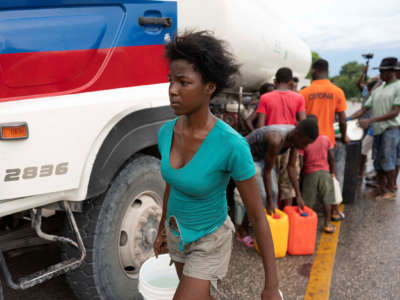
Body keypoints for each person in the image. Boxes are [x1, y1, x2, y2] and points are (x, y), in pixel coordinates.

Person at [153, 31, 281, 300]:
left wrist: (271, 285)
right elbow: (171, 185)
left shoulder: (231, 145)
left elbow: (258, 216)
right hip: (177, 234)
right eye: (170, 80)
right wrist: (162, 229)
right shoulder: (166, 132)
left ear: (209, 87)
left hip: (210, 239)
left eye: (183, 82)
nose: (172, 90)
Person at [256, 67, 306, 207]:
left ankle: (270, 216)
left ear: (275, 81)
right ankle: (287, 217)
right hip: (290, 144)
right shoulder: (298, 98)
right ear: (291, 82)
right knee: (288, 184)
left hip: (272, 144)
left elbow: (260, 126)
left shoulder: (265, 98)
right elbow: (303, 123)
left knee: (270, 180)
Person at [351, 57, 400, 200]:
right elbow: (363, 109)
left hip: (391, 129)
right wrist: (347, 119)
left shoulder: (397, 86)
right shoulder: (378, 89)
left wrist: (370, 120)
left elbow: (395, 112)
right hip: (378, 129)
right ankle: (380, 188)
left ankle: (390, 189)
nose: (380, 73)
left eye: (383, 71)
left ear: (391, 72)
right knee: (377, 160)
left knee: (388, 159)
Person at [301, 115, 340, 233]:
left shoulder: (305, 142)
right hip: (325, 172)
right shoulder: (325, 139)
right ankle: (327, 224)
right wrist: (333, 172)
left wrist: (302, 177)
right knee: (327, 199)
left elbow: (302, 162)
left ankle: (305, 226)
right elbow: (331, 158)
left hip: (310, 173)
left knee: (308, 201)